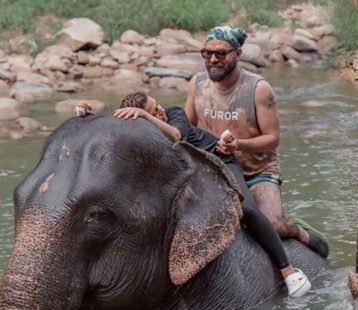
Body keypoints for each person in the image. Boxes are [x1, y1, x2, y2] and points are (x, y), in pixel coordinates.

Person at [110, 92, 312, 297]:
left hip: (220, 162)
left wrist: (146, 116)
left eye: (157, 105)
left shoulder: (174, 114)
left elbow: (175, 136)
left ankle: (288, 270)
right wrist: (84, 112)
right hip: (191, 174)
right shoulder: (143, 136)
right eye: (155, 110)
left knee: (246, 208)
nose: (161, 110)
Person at [183, 25, 329, 258]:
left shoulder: (258, 89)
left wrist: (238, 145)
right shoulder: (197, 84)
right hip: (217, 168)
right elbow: (187, 127)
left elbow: (273, 139)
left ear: (238, 54)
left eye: (221, 53)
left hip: (257, 171)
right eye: (207, 53)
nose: (212, 59)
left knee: (273, 225)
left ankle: (298, 230)